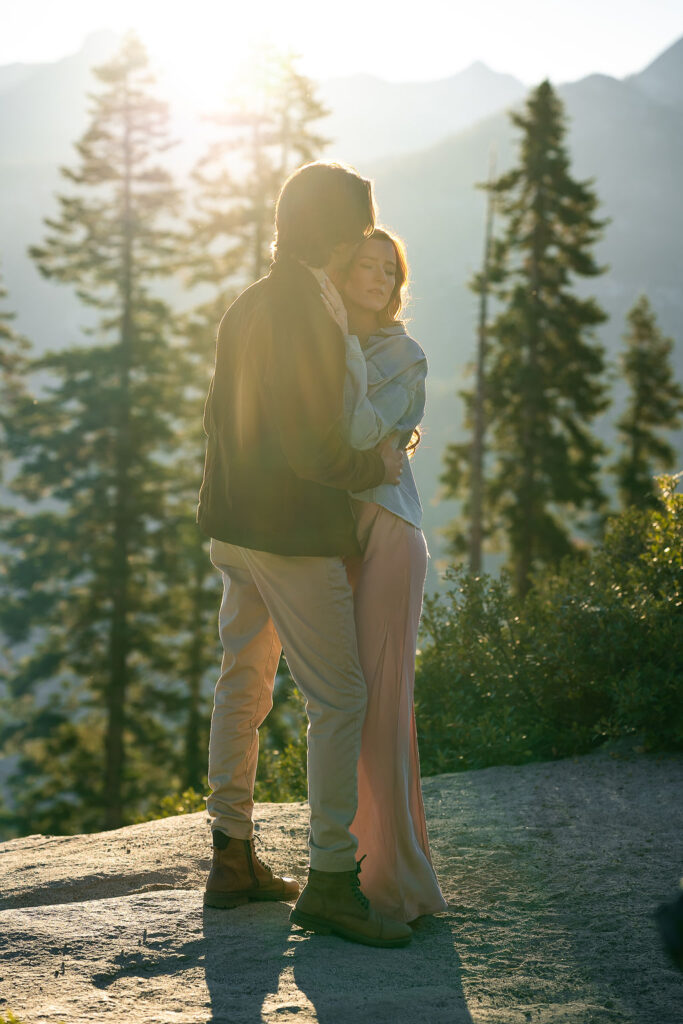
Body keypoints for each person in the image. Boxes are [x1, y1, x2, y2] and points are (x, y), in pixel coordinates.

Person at [197, 162, 412, 949]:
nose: (364, 237)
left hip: (233, 530)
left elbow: (223, 424)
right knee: (339, 697)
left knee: (243, 682)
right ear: (332, 228)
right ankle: (330, 881)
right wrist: (375, 467)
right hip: (289, 533)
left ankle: (231, 859)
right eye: (357, 225)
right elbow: (307, 444)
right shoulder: (306, 311)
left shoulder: (250, 301)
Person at [320, 228, 448, 923]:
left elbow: (362, 431)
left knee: (379, 703)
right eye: (363, 265)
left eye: (387, 269)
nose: (377, 278)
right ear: (339, 272)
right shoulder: (325, 339)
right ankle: (366, 862)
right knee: (346, 702)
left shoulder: (404, 354)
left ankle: (390, 879)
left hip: (389, 536)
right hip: (336, 538)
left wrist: (336, 351)